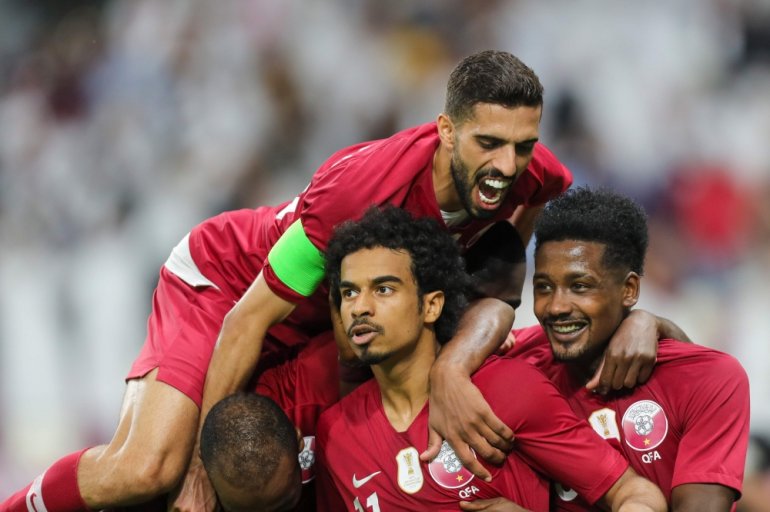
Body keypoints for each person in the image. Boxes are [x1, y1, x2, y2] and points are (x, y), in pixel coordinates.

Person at [0, 50, 655, 511]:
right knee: (150, 472)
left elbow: (514, 243)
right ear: (447, 131)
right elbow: (248, 320)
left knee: (304, 477)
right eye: (489, 143)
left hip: (337, 322)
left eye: (521, 145)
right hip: (232, 286)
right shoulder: (361, 191)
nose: (508, 164)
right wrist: (199, 476)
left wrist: (639, 319)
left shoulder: (533, 174)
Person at [315, 205, 667, 512]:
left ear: (431, 305)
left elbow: (634, 493)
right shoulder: (336, 433)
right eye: (349, 292)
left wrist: (647, 320)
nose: (360, 307)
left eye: (383, 289)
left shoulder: (506, 388)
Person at [475, 186, 749, 511]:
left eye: (580, 286)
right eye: (544, 287)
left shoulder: (709, 378)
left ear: (629, 289)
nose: (557, 306)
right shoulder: (515, 363)